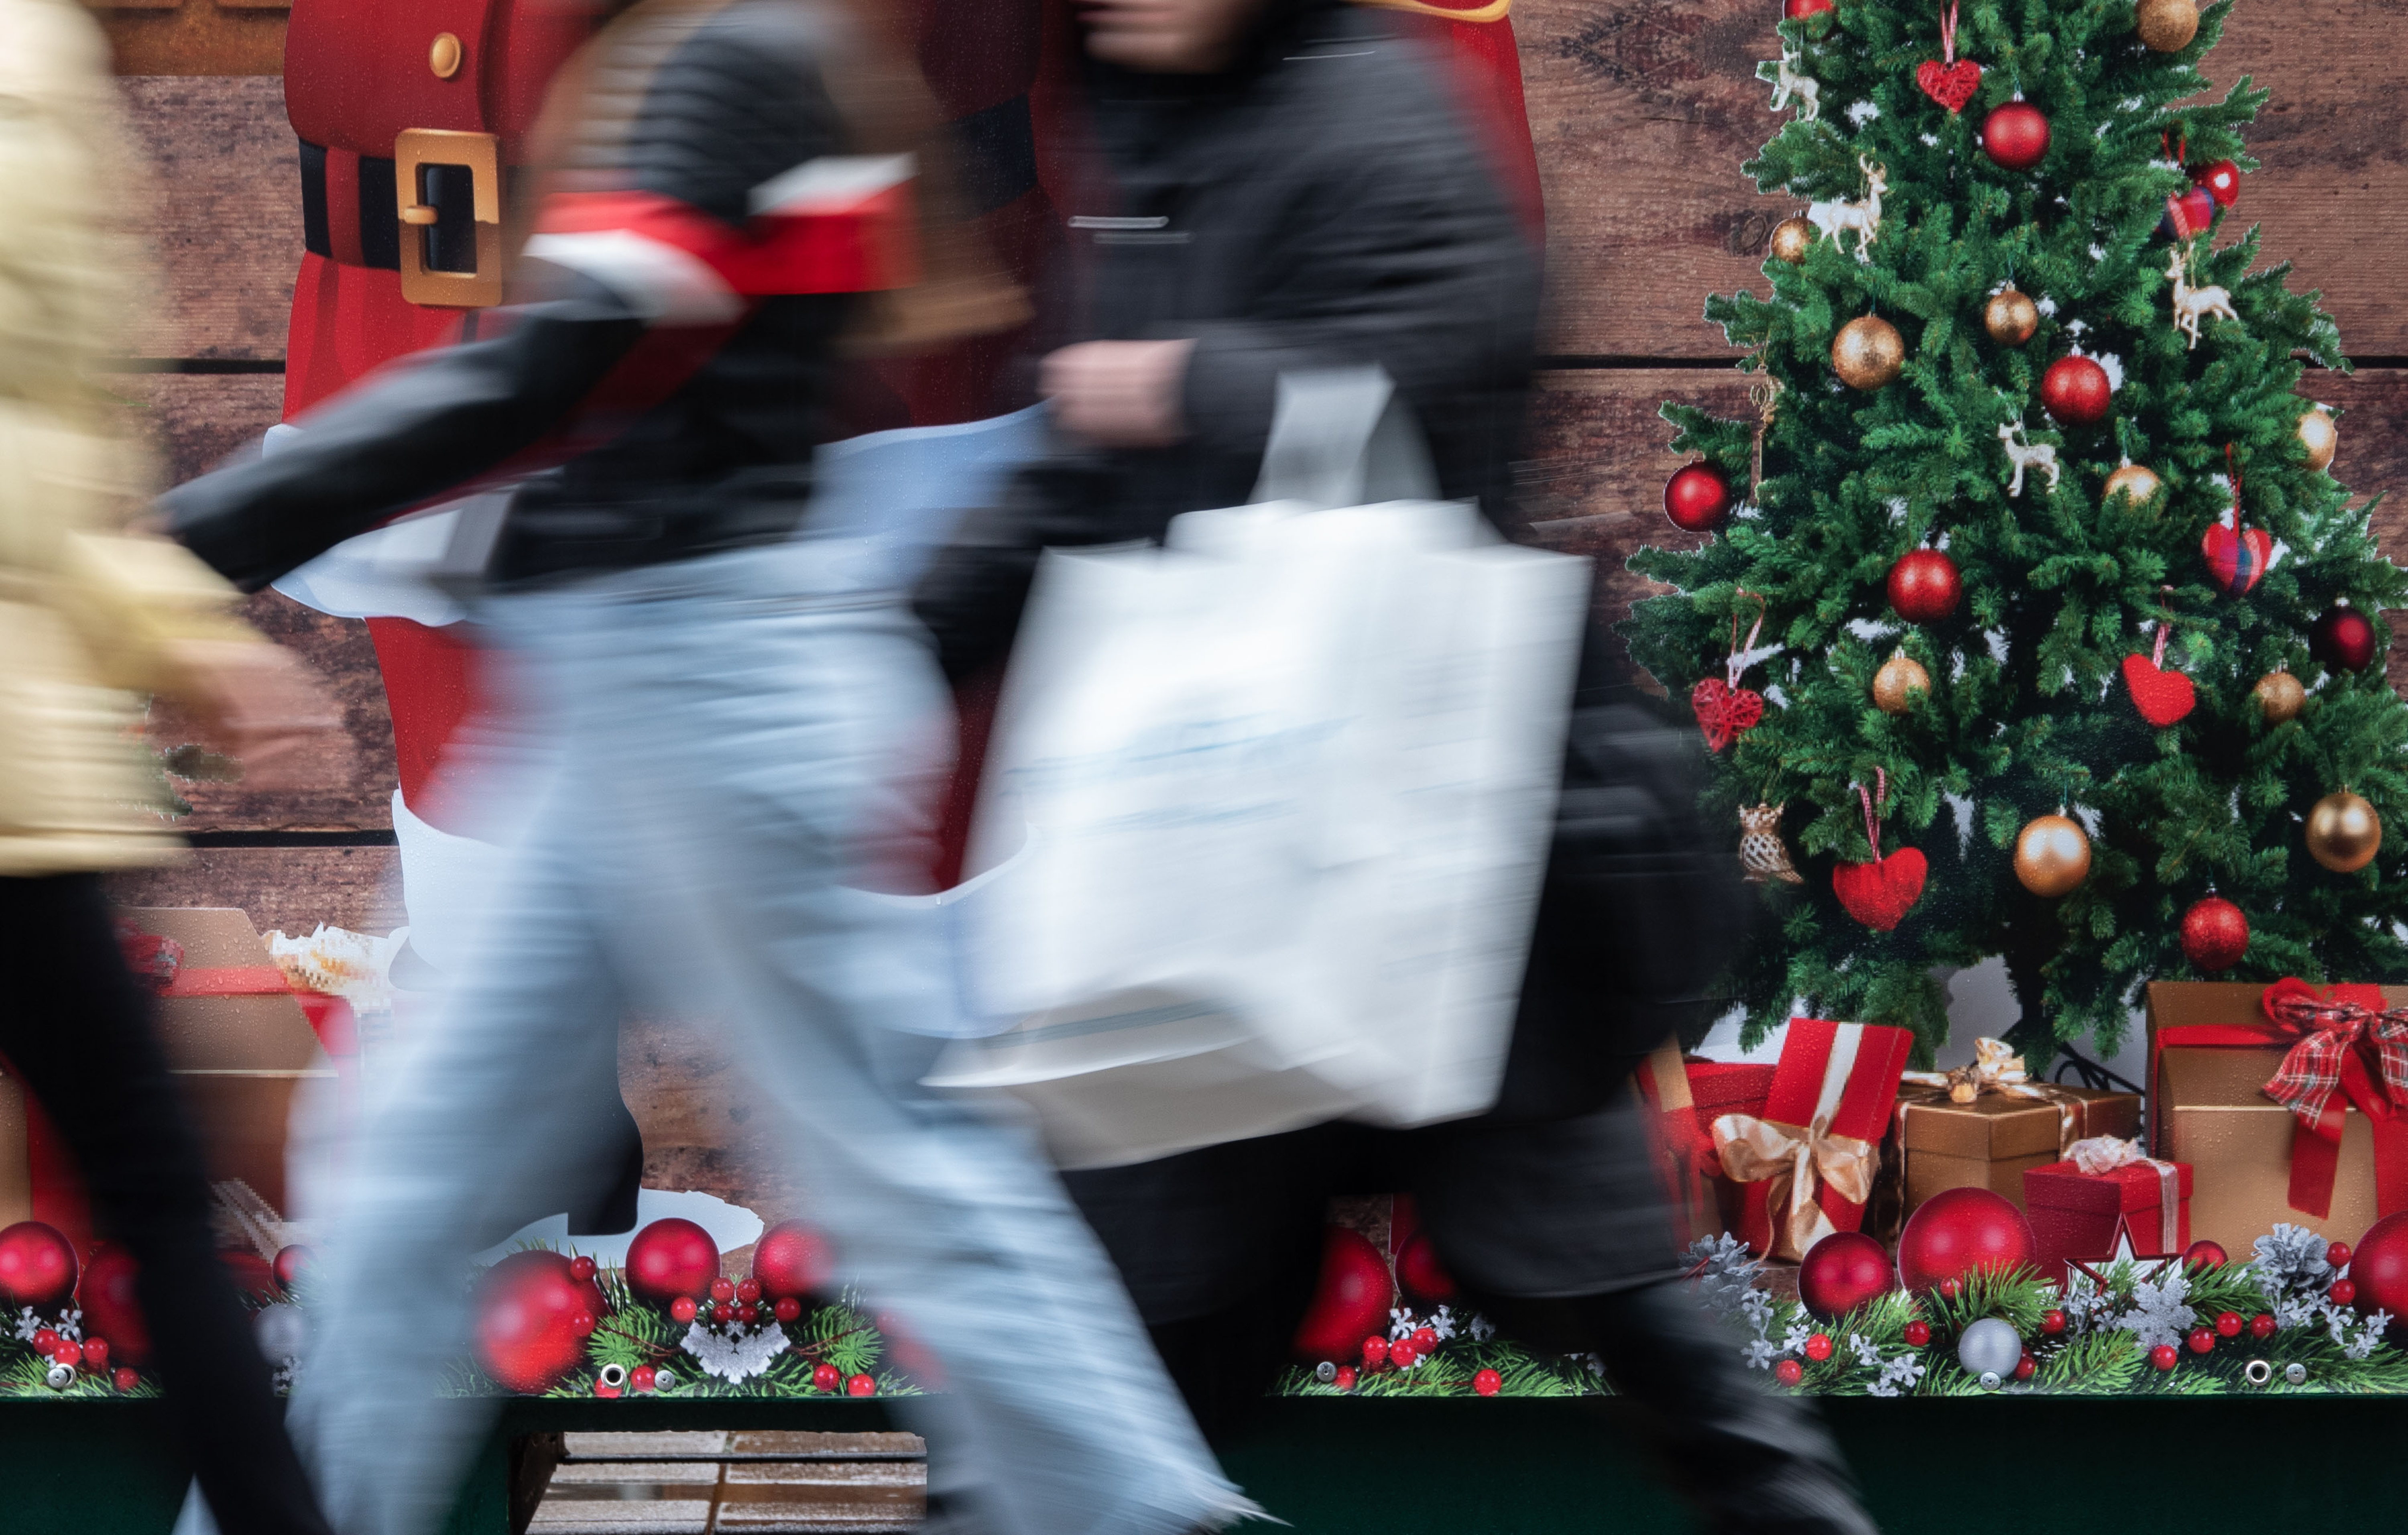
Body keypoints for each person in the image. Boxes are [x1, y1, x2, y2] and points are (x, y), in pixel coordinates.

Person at [161, 5, 1248, 1535]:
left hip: (705, 694)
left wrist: (185, 546)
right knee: (414, 1195)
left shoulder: (737, 59)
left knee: (904, 1179)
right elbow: (639, 402)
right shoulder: (745, 53)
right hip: (646, 684)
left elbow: (548, 373)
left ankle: (1147, 1514)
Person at [912, 3, 1880, 1532]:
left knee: (1633, 1328)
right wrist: (896, 643)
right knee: (1107, 1366)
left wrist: (1186, 386)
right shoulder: (1145, 149)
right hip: (1220, 877)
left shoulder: (1377, 103)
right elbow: (1073, 477)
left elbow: (1458, 372)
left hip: (1441, 862)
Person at [0, 4, 341, 1532]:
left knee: (148, 1184)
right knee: (152, 1191)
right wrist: (178, 634)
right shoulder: (28, 68)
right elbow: (45, 446)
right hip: (20, 771)